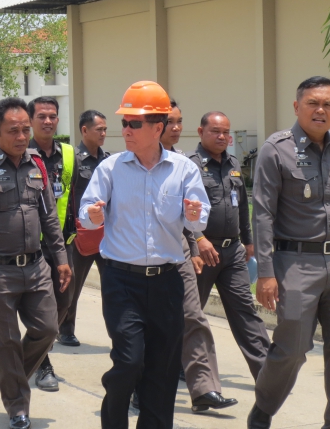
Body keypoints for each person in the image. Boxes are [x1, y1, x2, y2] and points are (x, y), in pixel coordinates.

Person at [79, 80, 210, 428]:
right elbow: (87, 212)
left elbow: (197, 220)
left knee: (162, 371)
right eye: (124, 122)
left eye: (133, 123)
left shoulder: (184, 169)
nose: (125, 130)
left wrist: (194, 214)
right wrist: (92, 215)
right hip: (122, 282)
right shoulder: (110, 169)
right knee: (129, 361)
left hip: (167, 282)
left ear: (157, 127)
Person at [250, 76, 330, 429]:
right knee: (291, 348)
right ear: (297, 107)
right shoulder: (276, 149)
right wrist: (265, 273)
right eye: (312, 103)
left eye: (327, 104)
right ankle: (264, 407)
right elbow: (263, 214)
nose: (320, 110)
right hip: (295, 262)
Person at [0, 97, 71, 429]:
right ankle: (17, 407)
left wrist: (61, 258)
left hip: (37, 267)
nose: (22, 136)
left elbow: (49, 217)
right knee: (6, 342)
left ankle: (12, 379)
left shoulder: (37, 164)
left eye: (26, 129)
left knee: (47, 329)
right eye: (14, 130)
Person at [151, 101, 237, 414]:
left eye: (179, 121)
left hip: (180, 254)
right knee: (152, 326)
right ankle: (141, 387)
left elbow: (189, 215)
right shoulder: (128, 165)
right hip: (144, 259)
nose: (176, 128)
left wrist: (195, 244)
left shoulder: (183, 165)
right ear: (154, 126)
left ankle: (203, 390)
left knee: (193, 317)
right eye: (169, 122)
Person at [189, 111, 270, 382]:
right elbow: (181, 210)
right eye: (215, 131)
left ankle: (267, 373)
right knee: (190, 313)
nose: (222, 137)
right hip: (203, 252)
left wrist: (248, 240)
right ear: (201, 132)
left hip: (233, 251)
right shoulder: (189, 166)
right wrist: (196, 242)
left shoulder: (234, 164)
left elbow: (242, 205)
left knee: (244, 310)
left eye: (226, 132)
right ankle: (177, 364)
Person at [27, 96, 76, 391]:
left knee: (63, 302)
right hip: (31, 245)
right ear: (31, 120)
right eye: (42, 116)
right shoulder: (22, 153)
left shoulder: (68, 154)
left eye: (53, 116)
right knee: (40, 309)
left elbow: (75, 193)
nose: (48, 121)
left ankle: (34, 350)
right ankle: (42, 364)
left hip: (62, 244)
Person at [58, 110, 109, 345]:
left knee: (113, 287)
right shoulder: (73, 160)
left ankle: (118, 332)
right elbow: (65, 196)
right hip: (80, 233)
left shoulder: (108, 161)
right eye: (99, 129)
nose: (104, 133)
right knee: (72, 286)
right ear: (84, 130)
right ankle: (65, 329)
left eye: (105, 129)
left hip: (106, 233)